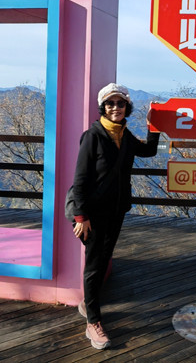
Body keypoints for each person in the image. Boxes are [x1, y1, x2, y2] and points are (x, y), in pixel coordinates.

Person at [71, 82, 160, 350]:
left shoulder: (124, 134)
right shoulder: (93, 136)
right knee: (94, 265)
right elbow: (80, 179)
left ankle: (88, 304)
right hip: (93, 214)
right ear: (103, 106)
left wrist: (153, 126)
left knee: (104, 257)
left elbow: (149, 151)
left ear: (126, 107)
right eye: (110, 103)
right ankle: (93, 323)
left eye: (120, 103)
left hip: (117, 209)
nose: (115, 108)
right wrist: (80, 216)